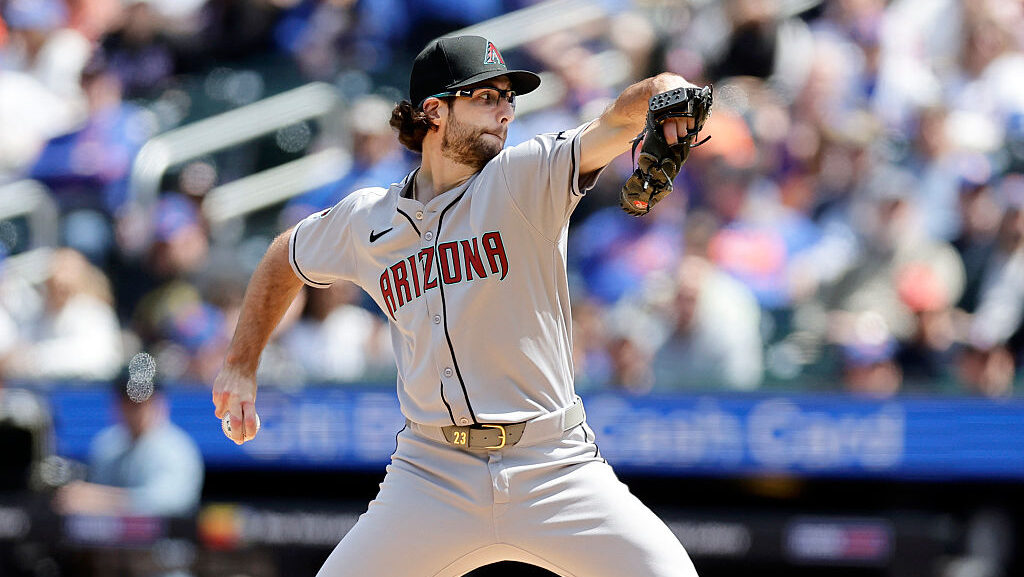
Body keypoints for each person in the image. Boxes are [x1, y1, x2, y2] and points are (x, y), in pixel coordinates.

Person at [213, 35, 700, 577]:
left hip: (552, 464)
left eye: (508, 98)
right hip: (430, 474)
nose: (506, 111)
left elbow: (614, 122)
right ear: (434, 111)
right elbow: (285, 255)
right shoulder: (367, 220)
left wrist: (668, 89)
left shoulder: (525, 176)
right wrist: (241, 363)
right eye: (486, 97)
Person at [53, 364, 204, 517]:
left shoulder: (176, 448)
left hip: (167, 532)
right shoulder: (107, 443)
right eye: (128, 401)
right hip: (110, 530)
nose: (134, 409)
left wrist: (100, 499)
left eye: (142, 401)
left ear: (159, 402)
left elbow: (173, 502)